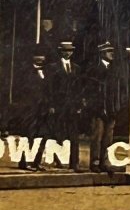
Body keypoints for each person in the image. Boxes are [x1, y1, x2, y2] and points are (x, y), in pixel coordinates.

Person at [47, 41, 84, 171]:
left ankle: (75, 163)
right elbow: (50, 88)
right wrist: (51, 105)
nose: (68, 53)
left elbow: (79, 88)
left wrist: (79, 105)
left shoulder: (76, 68)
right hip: (59, 106)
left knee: (74, 135)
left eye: (70, 51)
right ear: (61, 52)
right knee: (59, 133)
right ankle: (58, 159)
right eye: (65, 50)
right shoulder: (54, 67)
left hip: (72, 106)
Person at [87, 42, 121, 173]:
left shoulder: (114, 70)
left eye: (112, 51)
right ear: (102, 54)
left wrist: (115, 107)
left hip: (111, 110)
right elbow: (91, 91)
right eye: (108, 52)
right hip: (99, 110)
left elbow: (117, 90)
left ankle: (104, 161)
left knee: (108, 138)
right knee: (97, 137)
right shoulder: (95, 69)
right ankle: (94, 162)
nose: (111, 54)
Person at [17, 47, 52, 171]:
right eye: (38, 56)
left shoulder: (47, 72)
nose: (41, 59)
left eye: (43, 56)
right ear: (33, 57)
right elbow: (22, 91)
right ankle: (24, 162)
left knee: (42, 136)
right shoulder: (26, 72)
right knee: (29, 136)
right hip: (30, 109)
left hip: (43, 110)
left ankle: (36, 162)